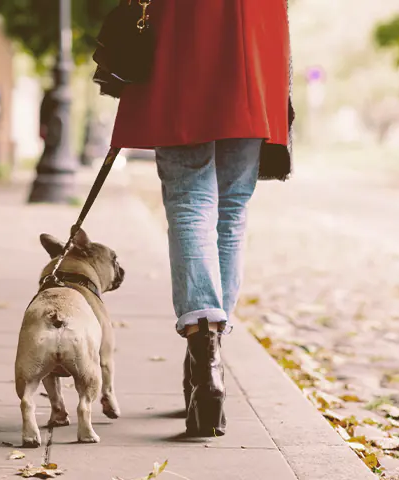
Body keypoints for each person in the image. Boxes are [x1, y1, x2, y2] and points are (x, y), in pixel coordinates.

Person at [110, 0, 294, 437]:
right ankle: (210, 365)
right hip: (256, 32)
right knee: (231, 209)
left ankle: (203, 352)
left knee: (191, 198)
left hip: (185, 32)